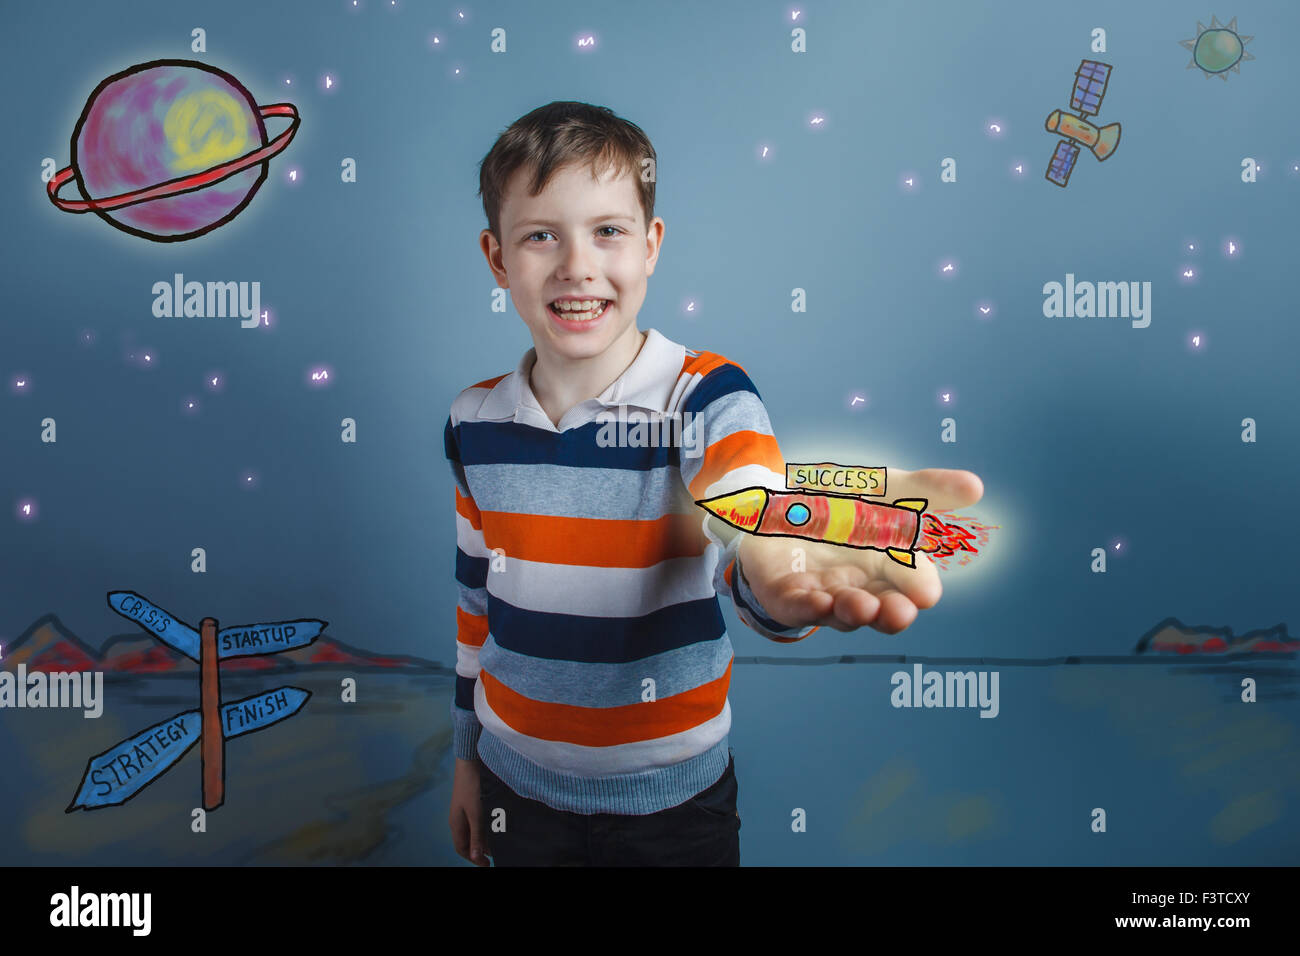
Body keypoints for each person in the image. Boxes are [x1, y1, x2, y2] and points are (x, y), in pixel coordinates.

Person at [445, 101, 982, 866]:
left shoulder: (707, 395)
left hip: (673, 810)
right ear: (498, 259)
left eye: (608, 230)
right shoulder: (473, 421)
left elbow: (749, 519)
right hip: (513, 792)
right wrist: (466, 759)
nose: (577, 265)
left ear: (651, 244)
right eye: (541, 236)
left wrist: (776, 572)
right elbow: (475, 601)